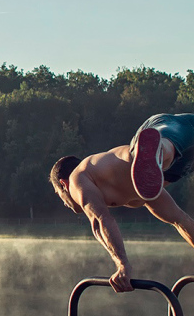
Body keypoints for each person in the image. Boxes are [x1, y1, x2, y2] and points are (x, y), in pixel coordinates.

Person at [50, 114, 194, 293]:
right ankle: (159, 152)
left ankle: (158, 150)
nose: (64, 203)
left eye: (59, 194)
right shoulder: (141, 188)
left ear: (63, 183)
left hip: (164, 130)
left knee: (158, 149)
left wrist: (122, 264)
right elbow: (179, 220)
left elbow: (99, 221)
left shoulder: (77, 177)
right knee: (166, 170)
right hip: (182, 154)